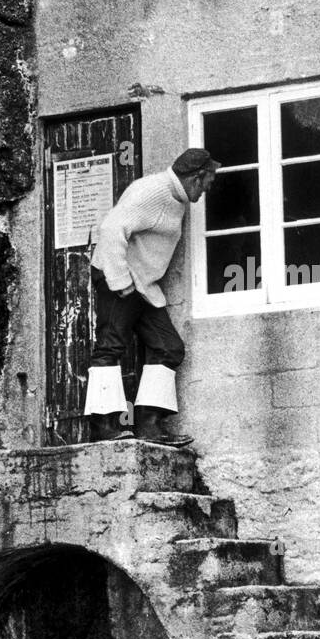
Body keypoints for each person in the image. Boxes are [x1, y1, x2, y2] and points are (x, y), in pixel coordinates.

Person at [83, 147, 218, 446]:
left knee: (169, 347)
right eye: (209, 181)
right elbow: (111, 228)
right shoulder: (151, 192)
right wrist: (119, 279)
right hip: (118, 277)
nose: (209, 188)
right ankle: (102, 427)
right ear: (196, 178)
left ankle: (149, 425)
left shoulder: (177, 199)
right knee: (110, 345)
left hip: (142, 284)